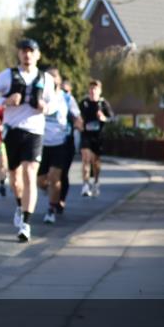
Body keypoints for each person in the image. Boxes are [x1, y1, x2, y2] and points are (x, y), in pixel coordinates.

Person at [0, 38, 54, 242]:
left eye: (31, 51)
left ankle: (26, 223)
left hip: (34, 130)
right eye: (24, 51)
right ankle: (19, 204)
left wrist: (45, 107)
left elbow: (55, 103)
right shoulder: (7, 75)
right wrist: (5, 101)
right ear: (19, 54)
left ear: (38, 55)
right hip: (13, 130)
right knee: (15, 178)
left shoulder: (46, 78)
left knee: (30, 173)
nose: (27, 55)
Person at [37, 67, 82, 224]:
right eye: (48, 76)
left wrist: (79, 124)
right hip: (41, 143)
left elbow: (77, 116)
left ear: (59, 80)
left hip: (60, 143)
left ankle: (51, 209)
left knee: (55, 177)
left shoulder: (67, 99)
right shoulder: (40, 96)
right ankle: (51, 193)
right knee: (41, 181)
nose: (51, 79)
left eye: (54, 76)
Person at [79, 80, 114, 197]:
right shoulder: (84, 103)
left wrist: (103, 117)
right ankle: (85, 185)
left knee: (96, 162)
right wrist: (79, 123)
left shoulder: (103, 104)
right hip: (86, 135)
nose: (93, 91)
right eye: (91, 89)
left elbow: (112, 118)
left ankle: (96, 181)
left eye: (95, 89)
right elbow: (77, 116)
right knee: (85, 158)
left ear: (100, 91)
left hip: (98, 137)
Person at [56, 77, 78, 214]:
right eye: (62, 90)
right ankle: (53, 192)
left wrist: (78, 123)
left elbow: (78, 119)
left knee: (63, 173)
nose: (64, 93)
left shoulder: (70, 101)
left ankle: (61, 199)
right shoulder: (52, 100)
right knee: (50, 174)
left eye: (67, 91)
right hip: (50, 141)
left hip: (67, 142)